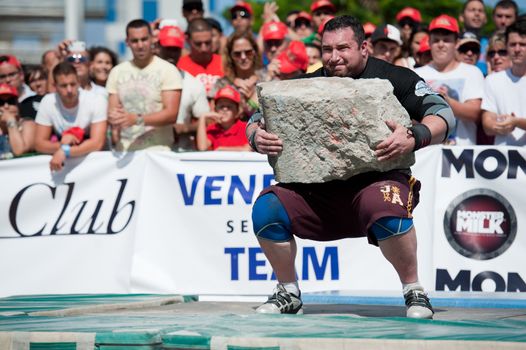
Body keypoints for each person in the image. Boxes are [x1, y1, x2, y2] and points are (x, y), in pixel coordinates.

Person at [246, 15, 454, 319]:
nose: (333, 57)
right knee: (266, 209)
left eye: (343, 48)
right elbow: (256, 118)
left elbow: (443, 114)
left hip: (376, 184)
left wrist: (414, 136)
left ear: (364, 47)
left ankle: (414, 291)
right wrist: (256, 136)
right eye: (327, 49)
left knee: (385, 204)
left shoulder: (396, 78)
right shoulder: (306, 83)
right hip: (317, 194)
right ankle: (288, 292)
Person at [106, 19, 182, 151]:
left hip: (158, 152)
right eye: (134, 41)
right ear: (127, 42)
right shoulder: (117, 72)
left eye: (144, 39)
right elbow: (112, 112)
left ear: (153, 39)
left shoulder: (168, 70)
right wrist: (115, 118)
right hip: (126, 151)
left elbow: (171, 114)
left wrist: (136, 119)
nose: (140, 45)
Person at [415, 15, 484, 145]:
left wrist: (445, 101)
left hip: (460, 157)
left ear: (457, 43)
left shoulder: (472, 72)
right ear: (429, 42)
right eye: (436, 40)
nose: (441, 45)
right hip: (425, 156)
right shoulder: (415, 74)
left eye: (446, 40)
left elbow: (475, 114)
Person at [34, 62, 107, 171]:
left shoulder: (96, 100)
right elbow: (39, 144)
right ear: (55, 86)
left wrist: (65, 151)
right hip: (63, 163)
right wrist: (63, 146)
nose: (69, 90)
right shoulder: (48, 102)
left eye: (72, 84)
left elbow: (97, 143)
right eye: (63, 85)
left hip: (94, 164)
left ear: (78, 82)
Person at [158, 24, 210, 151]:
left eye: (175, 49)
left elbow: (208, 121)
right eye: (167, 48)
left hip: (180, 156)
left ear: (181, 49)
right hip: (149, 153)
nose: (171, 53)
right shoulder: (144, 79)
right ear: (158, 47)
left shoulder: (193, 84)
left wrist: (185, 127)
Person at [481, 19, 526, 145]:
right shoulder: (492, 80)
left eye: (522, 44)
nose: (517, 49)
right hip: (504, 161)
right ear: (507, 46)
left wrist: (516, 122)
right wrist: (497, 126)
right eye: (512, 44)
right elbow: (487, 124)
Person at [212, 31, 263, 119]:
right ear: (230, 56)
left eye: (248, 52)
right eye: (237, 54)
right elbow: (213, 119)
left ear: (254, 52)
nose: (243, 57)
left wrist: (252, 102)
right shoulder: (222, 84)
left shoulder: (267, 80)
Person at [177, 18, 224, 97]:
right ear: (188, 40)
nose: (204, 48)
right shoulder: (179, 67)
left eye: (207, 43)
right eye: (198, 44)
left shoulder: (225, 63)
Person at [196, 85, 250, 151]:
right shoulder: (213, 129)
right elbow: (202, 148)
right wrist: (202, 117)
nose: (224, 109)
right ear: (215, 109)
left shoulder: (246, 128)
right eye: (221, 106)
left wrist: (221, 150)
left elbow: (249, 149)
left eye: (229, 107)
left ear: (237, 111)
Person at [0, 83, 36, 158]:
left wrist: (10, 121)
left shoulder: (28, 124)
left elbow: (19, 151)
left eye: (11, 102)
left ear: (17, 104)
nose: (6, 106)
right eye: (1, 103)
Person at [459, 0, 489, 75]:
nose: (477, 13)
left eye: (480, 11)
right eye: (472, 10)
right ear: (461, 17)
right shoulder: (452, 41)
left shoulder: (491, 43)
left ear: (485, 18)